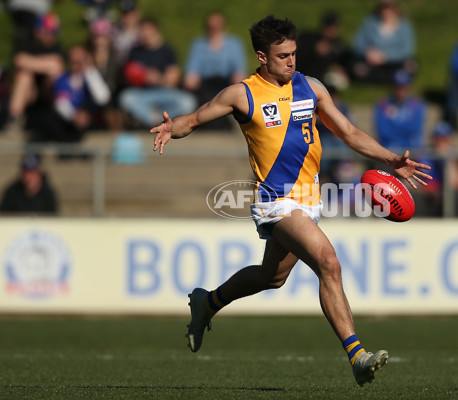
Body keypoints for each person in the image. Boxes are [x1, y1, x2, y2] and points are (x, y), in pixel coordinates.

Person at [150, 15, 432, 386]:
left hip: (310, 198)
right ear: (262, 57)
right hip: (276, 201)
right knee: (328, 263)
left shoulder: (311, 87)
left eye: (294, 53)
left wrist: (390, 158)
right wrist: (175, 127)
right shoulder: (243, 93)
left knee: (273, 277)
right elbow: (197, 118)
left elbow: (347, 132)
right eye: (283, 55)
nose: (292, 61)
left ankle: (208, 302)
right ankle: (357, 356)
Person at [119, 17, 196, 128]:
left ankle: (162, 121)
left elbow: (172, 80)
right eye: (142, 30)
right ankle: (154, 120)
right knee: (126, 98)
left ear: (156, 30)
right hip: (143, 93)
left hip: (165, 93)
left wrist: (157, 79)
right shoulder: (135, 51)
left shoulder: (168, 50)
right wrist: (143, 77)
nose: (144, 34)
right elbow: (128, 76)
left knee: (187, 101)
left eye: (147, 30)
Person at [28, 45, 110, 144]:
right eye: (75, 62)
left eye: (82, 61)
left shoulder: (92, 76)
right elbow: (61, 103)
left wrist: (89, 71)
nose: (78, 65)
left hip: (91, 120)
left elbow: (102, 98)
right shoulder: (63, 79)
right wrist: (74, 116)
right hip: (70, 121)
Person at [183, 11, 247, 130]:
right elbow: (192, 69)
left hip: (225, 82)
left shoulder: (234, 44)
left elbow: (239, 68)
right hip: (205, 83)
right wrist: (192, 76)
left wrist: (238, 79)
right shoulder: (199, 45)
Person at [6, 12, 64, 135]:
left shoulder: (56, 46)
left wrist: (31, 63)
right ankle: (14, 118)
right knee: (24, 76)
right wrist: (45, 64)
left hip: (47, 91)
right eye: (49, 32)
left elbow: (57, 65)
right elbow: (19, 60)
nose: (52, 36)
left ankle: (61, 115)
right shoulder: (26, 41)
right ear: (38, 31)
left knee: (54, 73)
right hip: (29, 93)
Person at [351, 0, 417, 84]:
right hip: (371, 62)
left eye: (389, 8)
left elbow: (407, 50)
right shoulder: (369, 22)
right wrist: (368, 53)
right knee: (356, 67)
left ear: (395, 9)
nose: (386, 12)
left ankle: (394, 78)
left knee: (411, 66)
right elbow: (357, 44)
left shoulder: (404, 25)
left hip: (394, 63)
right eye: (384, 8)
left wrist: (386, 56)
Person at [418, 121, 458, 217]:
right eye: (439, 139)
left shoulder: (455, 157)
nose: (441, 143)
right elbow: (418, 183)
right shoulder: (424, 155)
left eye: (445, 140)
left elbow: (457, 184)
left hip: (445, 196)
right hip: (427, 196)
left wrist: (448, 160)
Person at [374, 69, 426, 154]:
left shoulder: (416, 105)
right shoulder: (382, 105)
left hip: (411, 149)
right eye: (398, 87)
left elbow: (415, 130)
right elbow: (383, 132)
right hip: (389, 149)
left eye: (404, 87)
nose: (401, 91)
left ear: (409, 87)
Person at [296, 10, 349, 88]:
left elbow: (342, 61)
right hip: (307, 75)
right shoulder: (309, 38)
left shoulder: (338, 44)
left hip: (326, 76)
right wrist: (314, 48)